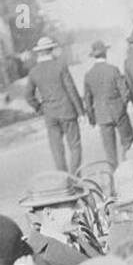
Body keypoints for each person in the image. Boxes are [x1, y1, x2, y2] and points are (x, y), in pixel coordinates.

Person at [25, 35, 84, 174]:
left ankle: (63, 180)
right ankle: (75, 177)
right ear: (51, 50)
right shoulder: (60, 66)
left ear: (39, 52)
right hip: (67, 111)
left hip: (50, 114)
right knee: (75, 146)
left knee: (56, 148)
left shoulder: (34, 71)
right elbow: (71, 89)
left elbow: (28, 95)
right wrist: (80, 111)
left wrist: (40, 108)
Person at [82, 39, 133, 169]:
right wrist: (122, 105)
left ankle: (114, 175)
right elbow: (124, 91)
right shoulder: (113, 70)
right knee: (127, 141)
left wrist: (92, 118)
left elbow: (87, 100)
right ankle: (128, 169)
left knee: (109, 149)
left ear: (93, 56)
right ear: (105, 53)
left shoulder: (88, 75)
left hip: (102, 114)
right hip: (118, 111)